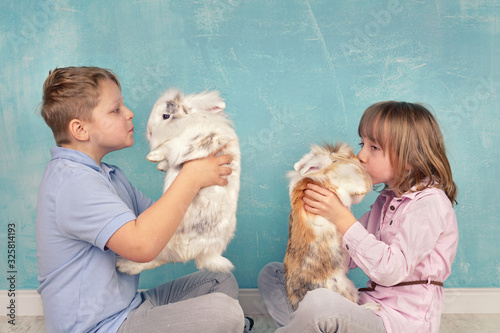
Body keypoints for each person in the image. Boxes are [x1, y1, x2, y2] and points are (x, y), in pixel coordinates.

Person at [36, 66, 250, 332]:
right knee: (225, 312)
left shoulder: (109, 175)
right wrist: (191, 178)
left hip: (129, 306)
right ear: (80, 129)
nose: (129, 113)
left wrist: (194, 166)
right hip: (100, 327)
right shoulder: (73, 184)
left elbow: (163, 225)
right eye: (116, 110)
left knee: (220, 282)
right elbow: (143, 246)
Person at [258, 101, 459, 333]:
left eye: (374, 147)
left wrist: (342, 217)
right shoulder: (386, 201)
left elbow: (391, 270)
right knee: (273, 275)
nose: (360, 155)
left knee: (320, 304)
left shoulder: (429, 204)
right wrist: (318, 223)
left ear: (409, 159)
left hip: (398, 323)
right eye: (362, 143)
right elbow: (345, 259)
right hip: (368, 307)